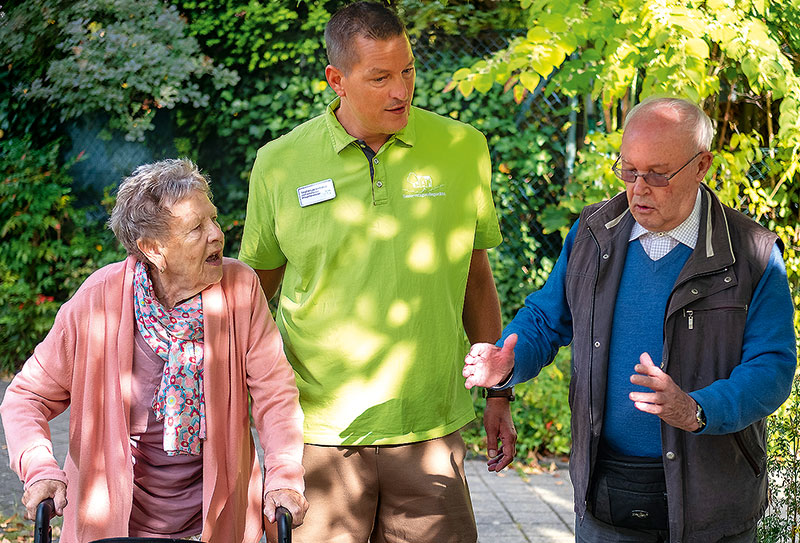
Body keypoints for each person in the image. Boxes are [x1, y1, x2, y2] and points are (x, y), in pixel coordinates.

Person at [238, 2, 516, 541]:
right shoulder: (279, 162)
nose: (401, 91)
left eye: (408, 71)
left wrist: (498, 393)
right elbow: (253, 298)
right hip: (318, 434)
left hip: (430, 428)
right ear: (336, 80)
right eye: (380, 77)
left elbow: (475, 278)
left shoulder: (463, 148)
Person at [462, 97, 796, 543]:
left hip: (711, 500)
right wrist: (510, 360)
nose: (639, 188)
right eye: (629, 170)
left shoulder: (751, 252)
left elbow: (772, 368)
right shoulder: (593, 232)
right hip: (607, 495)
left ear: (702, 165)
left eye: (658, 174)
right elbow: (545, 317)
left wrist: (698, 409)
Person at [0, 159, 308, 543]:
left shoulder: (239, 290)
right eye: (196, 228)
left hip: (213, 522)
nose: (217, 235)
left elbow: (275, 395)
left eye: (213, 219)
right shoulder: (99, 300)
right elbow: (25, 397)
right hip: (113, 527)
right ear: (153, 248)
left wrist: (283, 476)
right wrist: (40, 467)